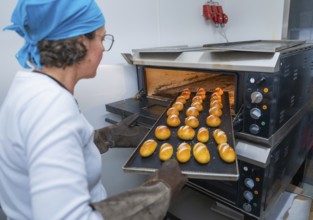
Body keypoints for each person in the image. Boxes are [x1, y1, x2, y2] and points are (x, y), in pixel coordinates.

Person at [0, 0, 187, 219]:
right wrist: (159, 191)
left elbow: (43, 150)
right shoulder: (49, 107)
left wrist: (105, 136)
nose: (102, 48)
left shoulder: (33, 88)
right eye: (101, 38)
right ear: (81, 42)